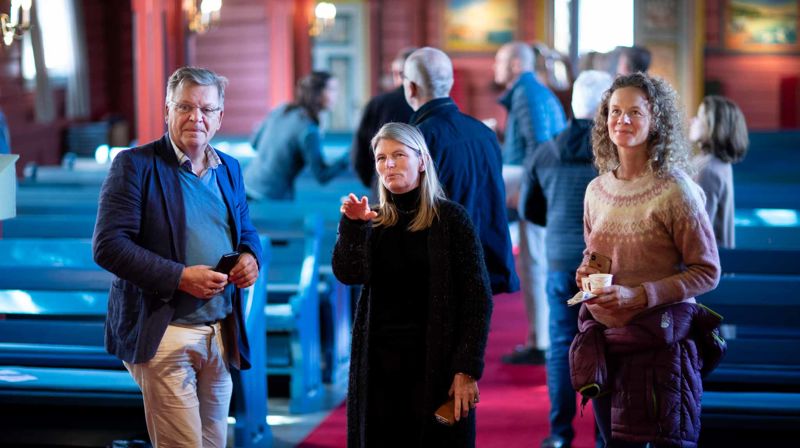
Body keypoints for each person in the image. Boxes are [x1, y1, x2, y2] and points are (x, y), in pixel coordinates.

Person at [93, 66, 263, 446]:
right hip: (163, 330)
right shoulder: (135, 165)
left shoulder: (229, 168)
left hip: (220, 332)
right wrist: (180, 277)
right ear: (167, 110)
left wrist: (250, 256)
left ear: (220, 117)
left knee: (213, 440)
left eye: (206, 109)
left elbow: (245, 229)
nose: (195, 117)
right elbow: (108, 246)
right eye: (184, 106)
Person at [573, 73, 721, 447]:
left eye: (635, 112)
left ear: (656, 121)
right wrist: (587, 273)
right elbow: (595, 255)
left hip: (659, 342)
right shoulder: (597, 189)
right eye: (615, 111)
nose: (622, 120)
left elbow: (707, 272)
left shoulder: (674, 189)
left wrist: (640, 295)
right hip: (606, 342)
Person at [333, 122, 492, 447]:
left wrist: (466, 369)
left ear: (422, 161)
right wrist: (352, 226)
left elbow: (477, 299)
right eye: (381, 158)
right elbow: (349, 274)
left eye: (398, 155)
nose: (388, 164)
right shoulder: (372, 220)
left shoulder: (451, 219)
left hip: (436, 364)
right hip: (379, 367)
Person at [521, 70, 613, 448]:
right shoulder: (613, 153)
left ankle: (560, 433)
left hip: (559, 258)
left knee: (561, 345)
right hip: (604, 265)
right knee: (607, 345)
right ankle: (604, 436)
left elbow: (532, 209)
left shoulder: (545, 151)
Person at [403, 46, 518, 296]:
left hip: (440, 270)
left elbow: (411, 212)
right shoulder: (485, 134)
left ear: (410, 87)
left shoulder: (418, 140)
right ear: (450, 82)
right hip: (482, 261)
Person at [494, 41, 567, 364]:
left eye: (498, 60)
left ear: (513, 64)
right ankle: (541, 338)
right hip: (539, 188)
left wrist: (528, 190)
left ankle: (541, 342)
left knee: (535, 263)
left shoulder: (526, 93)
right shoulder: (534, 91)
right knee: (535, 262)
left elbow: (540, 146)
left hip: (536, 191)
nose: (493, 68)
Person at [244, 71, 348, 200]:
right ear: (318, 93)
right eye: (332, 90)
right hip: (270, 198)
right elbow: (322, 176)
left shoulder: (281, 109)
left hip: (245, 185)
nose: (336, 96)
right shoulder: (309, 130)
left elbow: (254, 143)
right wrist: (349, 157)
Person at [352, 47, 416, 195]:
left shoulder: (378, 104)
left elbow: (359, 152)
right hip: (427, 193)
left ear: (400, 73)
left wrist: (375, 180)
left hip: (384, 188)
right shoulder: (429, 104)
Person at [689, 95, 749, 249]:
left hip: (708, 267)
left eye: (699, 116)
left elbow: (696, 233)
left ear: (713, 126)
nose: (692, 121)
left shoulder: (708, 170)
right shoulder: (714, 163)